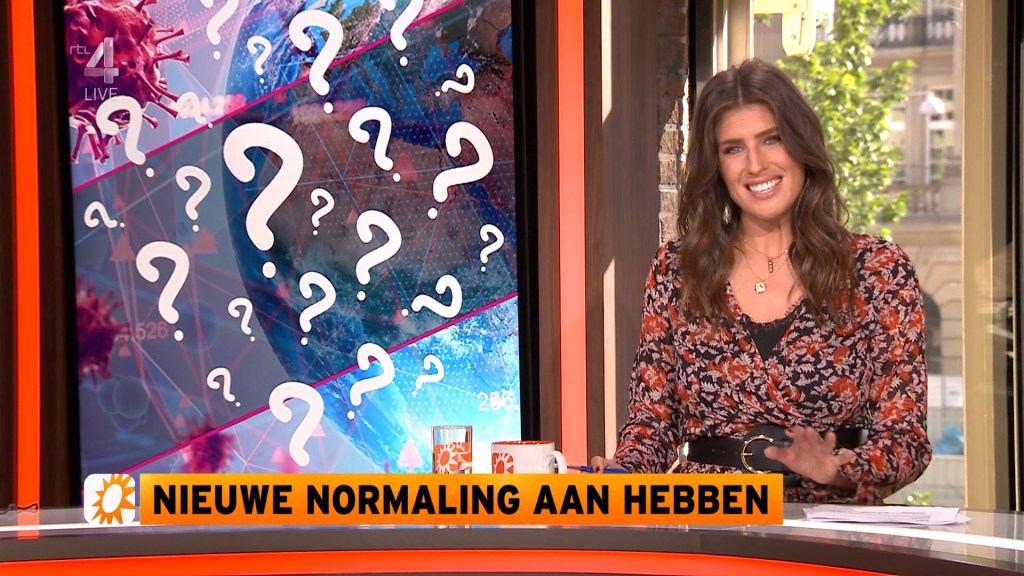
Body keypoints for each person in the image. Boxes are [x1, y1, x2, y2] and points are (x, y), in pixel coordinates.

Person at [590, 59, 931, 503]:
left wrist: (839, 469)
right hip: (707, 518)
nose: (755, 164)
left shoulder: (877, 270)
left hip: (827, 523)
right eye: (733, 149)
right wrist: (622, 472)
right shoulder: (676, 269)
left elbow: (906, 439)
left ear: (801, 146)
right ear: (716, 166)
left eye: (772, 139)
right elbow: (652, 422)